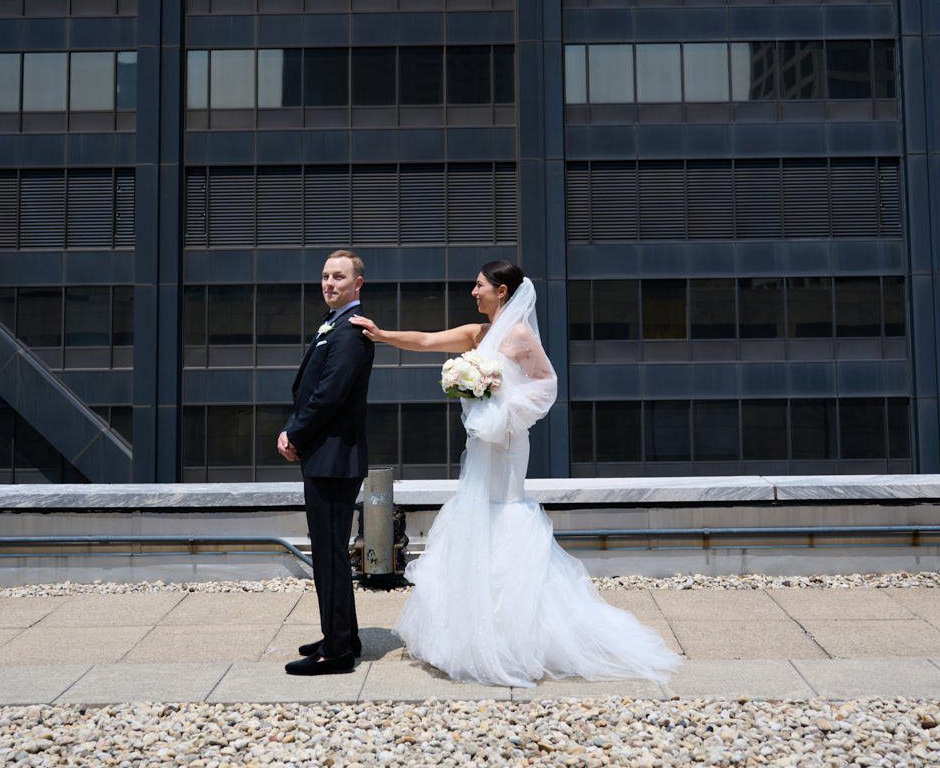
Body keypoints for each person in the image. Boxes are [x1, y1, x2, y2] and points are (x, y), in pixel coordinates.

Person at [350, 260, 681, 687]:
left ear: (502, 292)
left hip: (506, 444)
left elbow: (547, 383)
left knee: (505, 514)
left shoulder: (521, 335)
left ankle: (518, 635)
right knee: (475, 518)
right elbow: (429, 339)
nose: (474, 291)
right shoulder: (478, 334)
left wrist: (506, 411)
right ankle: (469, 632)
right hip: (478, 446)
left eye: (480, 285)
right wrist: (382, 335)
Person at [278, 249, 375, 676]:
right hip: (326, 456)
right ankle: (342, 634)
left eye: (338, 277)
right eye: (325, 276)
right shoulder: (333, 326)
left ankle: (336, 652)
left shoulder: (351, 333)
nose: (329, 283)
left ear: (357, 284)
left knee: (329, 553)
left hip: (333, 458)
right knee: (328, 550)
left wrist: (294, 434)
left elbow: (329, 396)